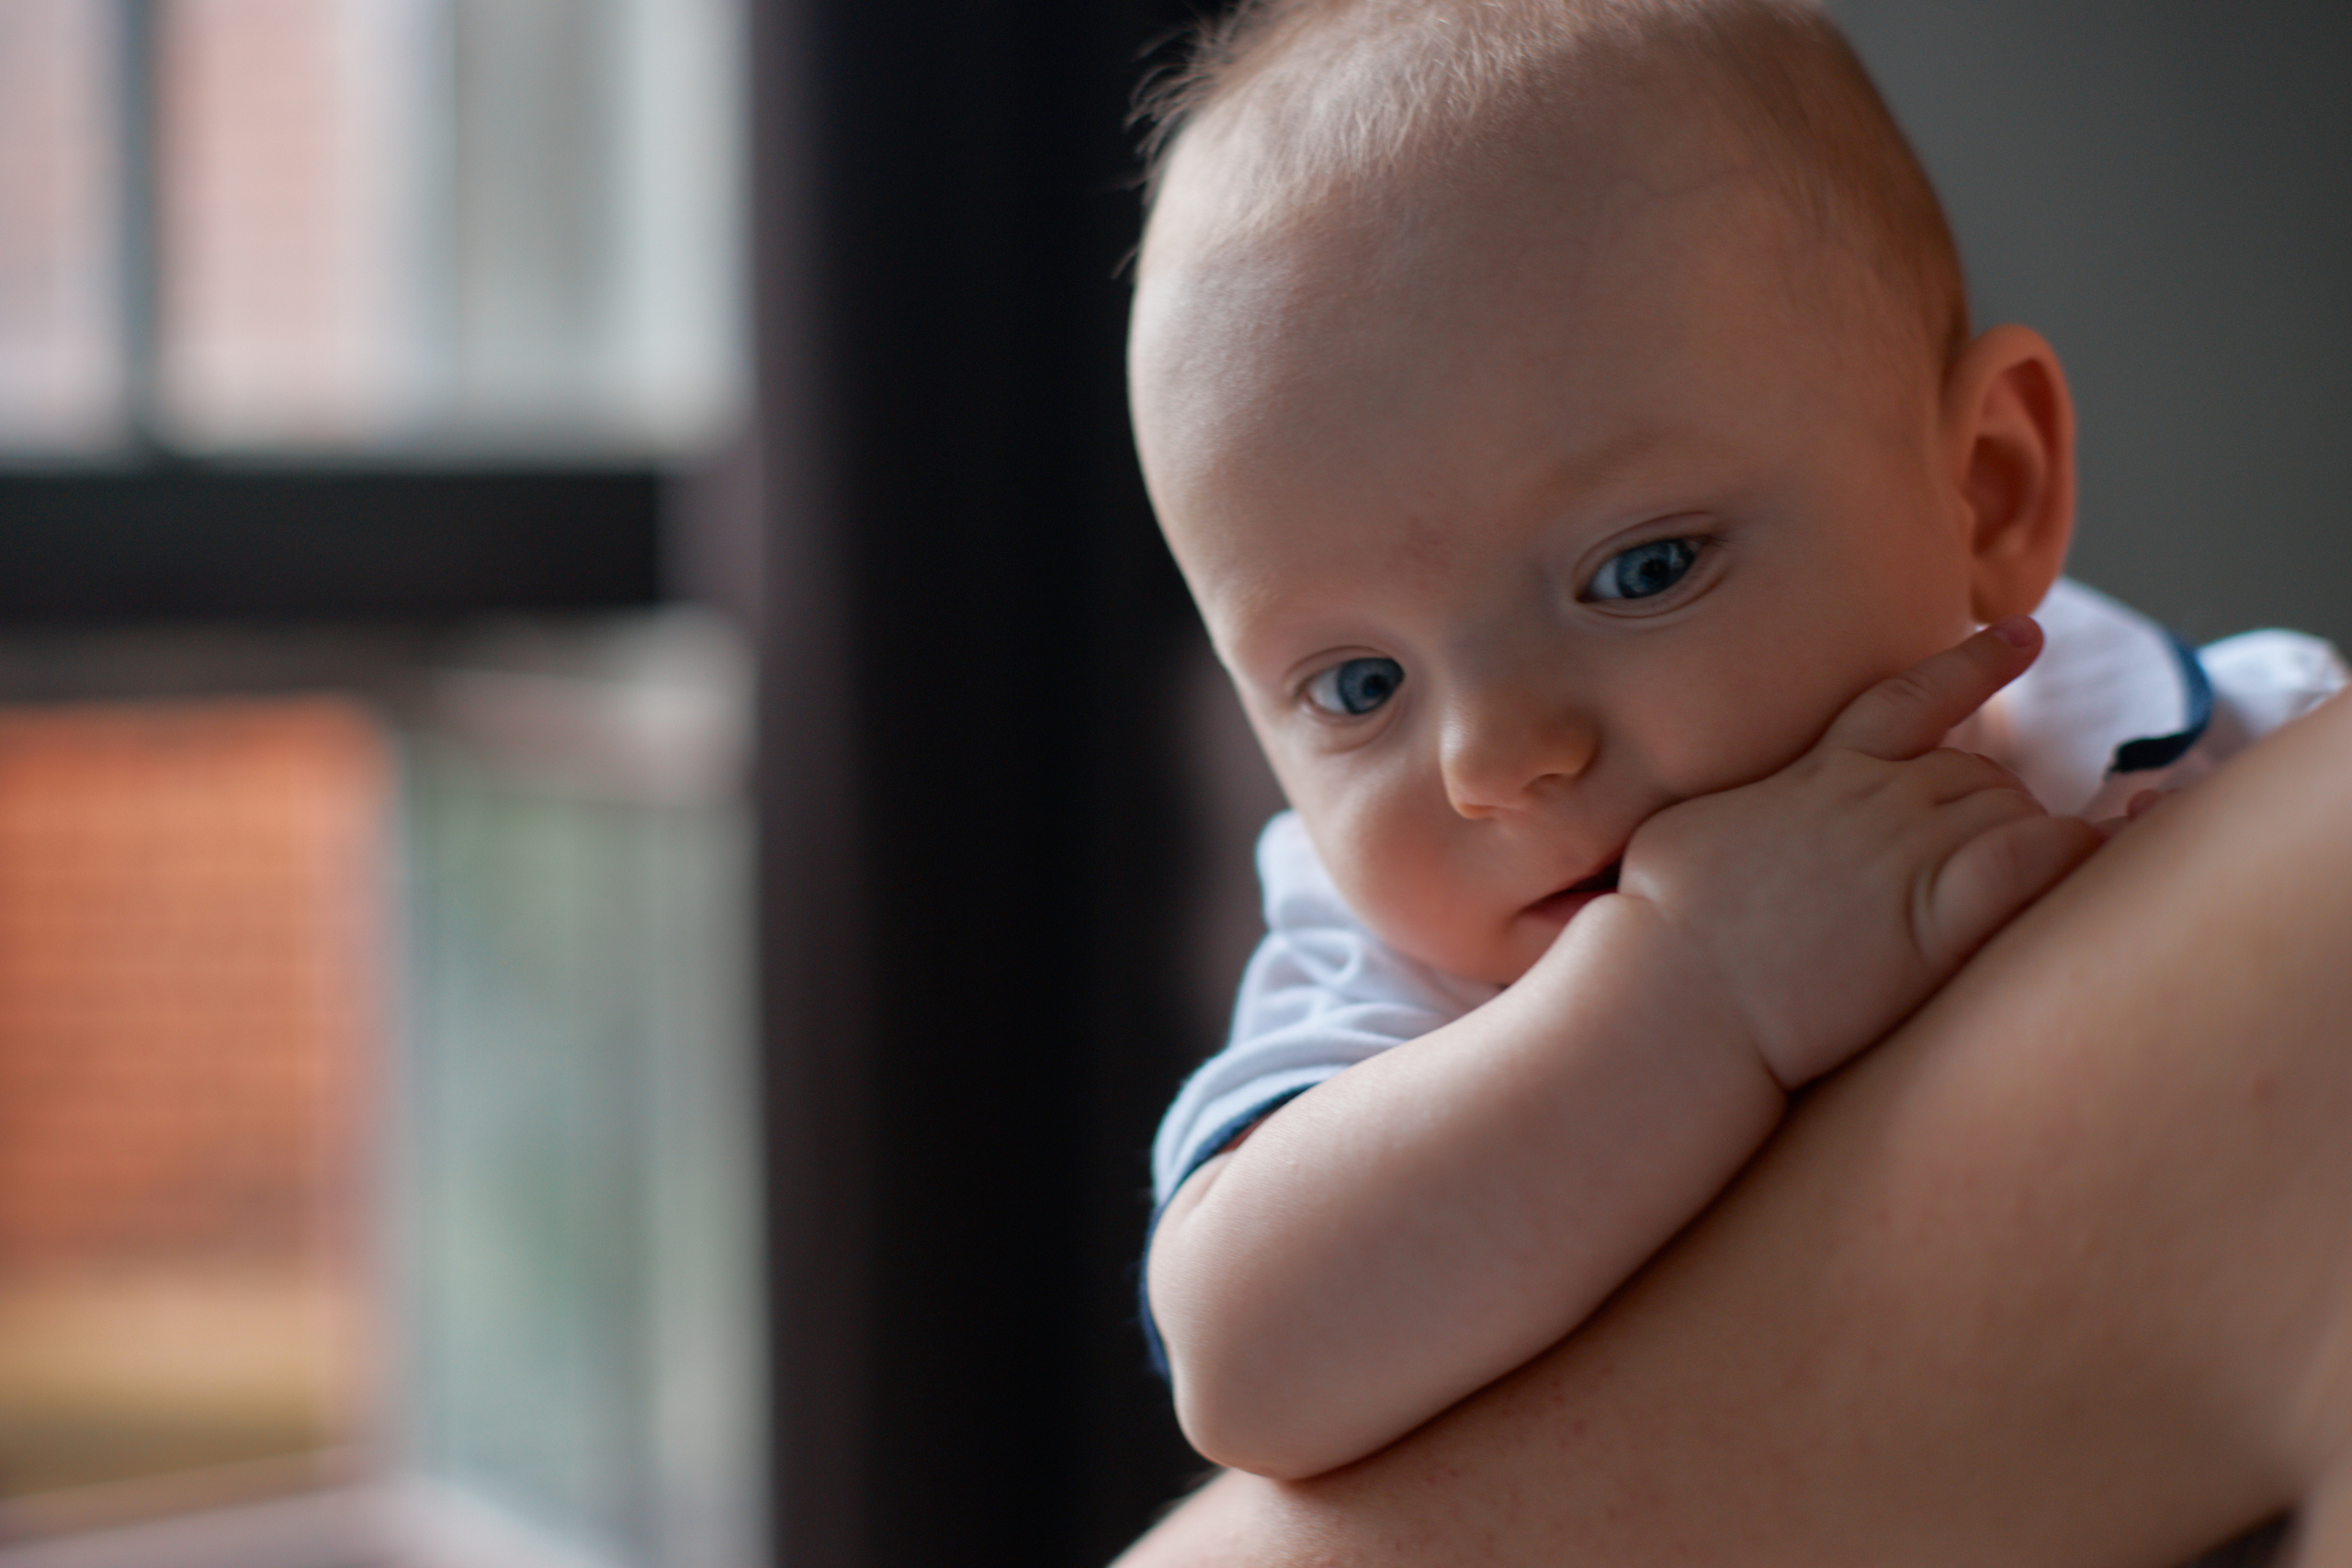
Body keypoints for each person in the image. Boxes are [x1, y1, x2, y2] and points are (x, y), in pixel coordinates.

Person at [1117, 0, 2352, 1561]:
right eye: (1358, 687)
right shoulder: (1404, 991)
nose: (1498, 756)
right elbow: (1250, 1359)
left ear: (1987, 491)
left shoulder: (2248, 741)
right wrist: (1685, 991)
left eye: (1639, 571)